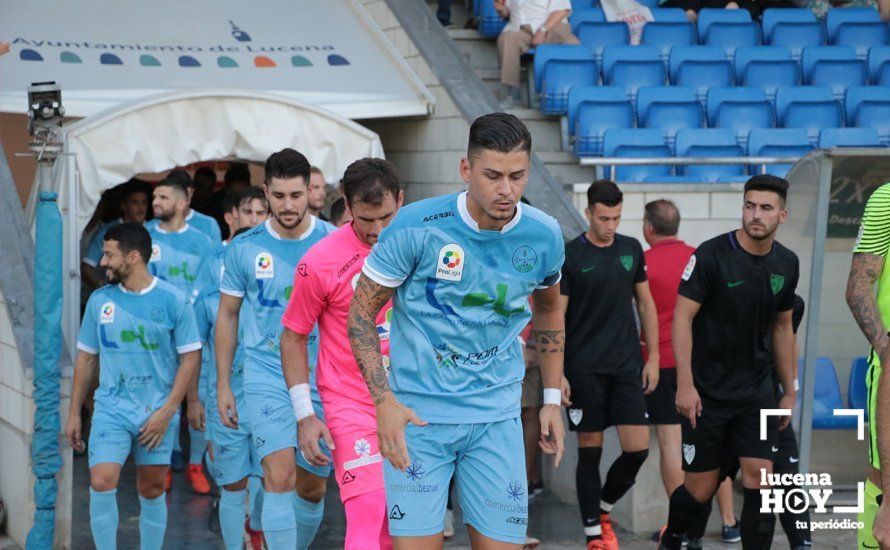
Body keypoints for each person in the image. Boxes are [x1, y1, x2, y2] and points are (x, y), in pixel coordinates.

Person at [348, 112, 567, 548]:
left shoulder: (544, 236)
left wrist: (551, 398)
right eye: (493, 175)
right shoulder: (415, 227)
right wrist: (383, 401)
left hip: (496, 420)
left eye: (517, 176)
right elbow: (359, 315)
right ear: (466, 170)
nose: (506, 190)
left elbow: (548, 309)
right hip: (419, 420)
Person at [659, 175, 799, 550]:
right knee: (700, 489)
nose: (755, 215)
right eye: (750, 205)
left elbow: (783, 329)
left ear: (781, 214)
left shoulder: (787, 263)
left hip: (756, 393)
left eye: (765, 208)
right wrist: (685, 385)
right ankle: (672, 537)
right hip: (707, 393)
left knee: (762, 480)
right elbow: (681, 319)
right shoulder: (710, 255)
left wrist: (790, 390)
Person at [216, 148, 334, 549]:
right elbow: (227, 316)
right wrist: (222, 385)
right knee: (278, 477)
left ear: (310, 193)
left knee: (312, 489)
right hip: (265, 374)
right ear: (266, 192)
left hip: (323, 377)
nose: (287, 205)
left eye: (296, 196)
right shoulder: (245, 247)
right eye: (279, 196)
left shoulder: (334, 243)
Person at [281, 158, 402, 549]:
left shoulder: (421, 246)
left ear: (400, 201)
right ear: (347, 206)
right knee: (368, 510)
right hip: (351, 405)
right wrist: (305, 415)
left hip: (412, 401)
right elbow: (293, 337)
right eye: (367, 219)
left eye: (386, 216)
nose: (377, 230)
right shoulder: (319, 262)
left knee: (397, 526)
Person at [65, 223, 202, 550]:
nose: (102, 262)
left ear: (134, 257)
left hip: (156, 414)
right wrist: (73, 414)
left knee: (152, 490)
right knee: (101, 481)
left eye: (109, 255)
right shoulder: (100, 302)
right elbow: (85, 359)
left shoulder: (174, 300)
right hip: (111, 410)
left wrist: (169, 411)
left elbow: (191, 357)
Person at [561, 180, 659, 550]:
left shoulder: (632, 249)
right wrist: (561, 374)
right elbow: (557, 314)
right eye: (604, 218)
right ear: (588, 213)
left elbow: (646, 305)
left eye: (616, 218)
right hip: (584, 368)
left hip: (626, 366)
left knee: (638, 448)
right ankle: (593, 536)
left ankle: (603, 509)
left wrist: (653, 358)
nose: (610, 225)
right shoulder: (571, 255)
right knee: (591, 449)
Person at [642, 200, 740, 548]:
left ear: (648, 228)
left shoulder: (644, 262)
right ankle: (729, 522)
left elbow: (640, 317)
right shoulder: (701, 256)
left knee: (672, 446)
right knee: (715, 447)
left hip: (665, 363)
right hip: (703, 365)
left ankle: (677, 525)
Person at [193, 190, 270, 550]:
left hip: (269, 399)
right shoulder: (211, 298)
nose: (255, 217)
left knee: (268, 480)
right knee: (231, 485)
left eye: (261, 211)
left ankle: (255, 525)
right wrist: (199, 398)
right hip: (224, 399)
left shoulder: (274, 298)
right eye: (248, 210)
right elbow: (196, 347)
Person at [147, 176, 216, 492]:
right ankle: (168, 461)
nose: (156, 203)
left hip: (195, 328)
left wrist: (189, 308)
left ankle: (195, 464)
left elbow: (210, 281)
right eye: (154, 197)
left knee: (197, 396)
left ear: (181, 202)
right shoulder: (146, 236)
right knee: (164, 395)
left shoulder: (202, 240)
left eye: (162, 197)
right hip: (159, 330)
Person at [845, 181, 890, 548]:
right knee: (883, 476)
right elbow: (858, 285)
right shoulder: (887, 198)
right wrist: (885, 348)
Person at [494, 0, 579, 109]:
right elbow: (507, 12)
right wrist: (501, 10)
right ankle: (513, 94)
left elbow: (563, 10)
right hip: (522, 29)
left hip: (550, 27)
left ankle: (569, 88)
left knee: (565, 38)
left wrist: (543, 30)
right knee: (506, 39)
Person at [82, 181, 150, 291]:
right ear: (123, 205)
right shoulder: (107, 232)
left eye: (144, 203)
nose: (140, 208)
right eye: (135, 202)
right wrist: (102, 287)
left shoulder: (154, 229)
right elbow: (87, 267)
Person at [147, 170, 222, 244]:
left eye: (184, 192)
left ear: (191, 192)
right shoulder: (149, 228)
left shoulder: (209, 224)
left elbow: (216, 255)